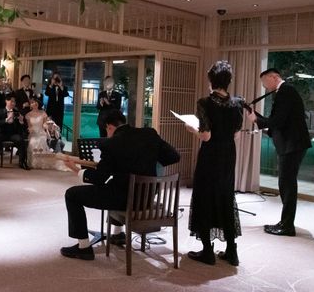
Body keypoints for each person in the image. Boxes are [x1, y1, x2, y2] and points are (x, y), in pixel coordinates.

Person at [60, 110, 180, 261]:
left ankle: (83, 247)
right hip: (147, 198)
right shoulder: (150, 134)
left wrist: (75, 169)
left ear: (109, 126)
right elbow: (174, 157)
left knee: (72, 194)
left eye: (107, 130)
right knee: (117, 184)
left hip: (124, 200)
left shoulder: (111, 144)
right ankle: (118, 234)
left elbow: (99, 179)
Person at [185, 61, 244, 266]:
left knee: (205, 197)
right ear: (228, 81)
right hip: (228, 155)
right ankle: (232, 251)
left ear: (211, 80)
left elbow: (206, 136)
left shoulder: (205, 103)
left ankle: (207, 252)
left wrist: (192, 129)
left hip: (210, 155)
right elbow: (236, 135)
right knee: (226, 197)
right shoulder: (237, 103)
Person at [248, 68, 311, 237]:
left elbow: (277, 121)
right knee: (286, 184)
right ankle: (285, 223)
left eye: (265, 82)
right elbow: (280, 122)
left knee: (287, 185)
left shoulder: (286, 91)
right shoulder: (285, 92)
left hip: (292, 145)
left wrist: (257, 120)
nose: (264, 86)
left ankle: (287, 226)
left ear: (274, 77)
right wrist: (258, 119)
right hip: (292, 144)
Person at [25, 98, 68, 171]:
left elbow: (44, 123)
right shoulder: (28, 115)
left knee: (41, 139)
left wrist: (46, 126)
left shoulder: (43, 113)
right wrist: (30, 130)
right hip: (33, 133)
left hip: (41, 132)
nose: (34, 104)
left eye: (35, 102)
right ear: (30, 105)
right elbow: (29, 126)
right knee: (32, 142)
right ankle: (34, 162)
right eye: (32, 103)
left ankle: (41, 162)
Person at [0, 95, 29, 170]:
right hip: (1, 133)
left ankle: (22, 162)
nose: (13, 103)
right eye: (12, 101)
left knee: (21, 141)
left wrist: (21, 121)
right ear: (6, 101)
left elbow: (23, 127)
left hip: (13, 134)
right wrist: (6, 119)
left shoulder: (17, 112)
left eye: (14, 102)